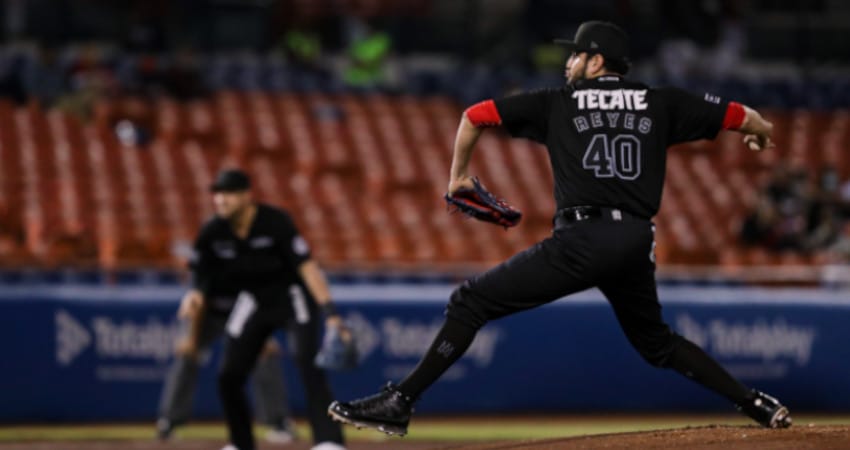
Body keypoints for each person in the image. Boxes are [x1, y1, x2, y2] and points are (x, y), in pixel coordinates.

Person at [328, 21, 791, 436]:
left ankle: (400, 401)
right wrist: (762, 134)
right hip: (634, 241)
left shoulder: (558, 103)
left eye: (575, 54)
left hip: (582, 239)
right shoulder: (660, 101)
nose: (568, 62)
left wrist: (458, 177)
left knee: (469, 301)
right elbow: (744, 117)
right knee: (658, 344)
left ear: (595, 60)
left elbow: (474, 115)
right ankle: (755, 404)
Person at [181, 169, 347, 450]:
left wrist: (330, 312)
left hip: (292, 297)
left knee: (308, 361)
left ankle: (329, 441)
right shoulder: (214, 229)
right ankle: (240, 443)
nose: (220, 200)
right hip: (253, 300)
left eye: (228, 193)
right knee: (228, 375)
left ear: (247, 195)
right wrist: (195, 293)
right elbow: (201, 270)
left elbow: (307, 267)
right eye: (217, 194)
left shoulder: (275, 221)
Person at [156, 294, 296, 443]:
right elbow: (199, 300)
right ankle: (168, 421)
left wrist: (263, 338)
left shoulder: (248, 272)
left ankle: (279, 422)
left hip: (244, 313)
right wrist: (193, 341)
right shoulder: (210, 273)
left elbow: (257, 297)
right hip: (209, 315)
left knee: (265, 355)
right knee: (186, 355)